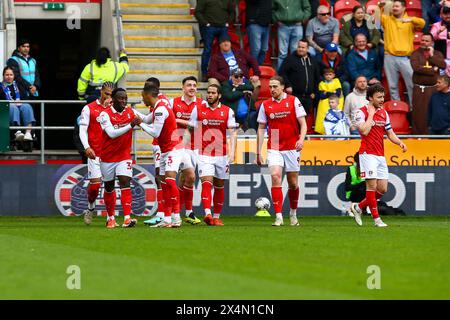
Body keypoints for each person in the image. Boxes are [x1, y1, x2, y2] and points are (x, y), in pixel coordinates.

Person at [350, 84, 408, 227]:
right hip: (367, 154)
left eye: (383, 96)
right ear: (370, 98)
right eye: (379, 97)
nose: (382, 100)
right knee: (371, 186)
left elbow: (389, 132)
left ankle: (358, 207)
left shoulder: (384, 113)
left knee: (382, 189)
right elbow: (363, 131)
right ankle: (377, 220)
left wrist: (399, 142)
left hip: (380, 155)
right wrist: (370, 114)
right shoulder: (360, 112)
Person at [256, 76, 307, 227]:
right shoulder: (265, 105)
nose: (272, 89)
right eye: (270, 86)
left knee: (292, 183)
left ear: (282, 87)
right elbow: (260, 128)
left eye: (275, 86)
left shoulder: (293, 101)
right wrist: (258, 152)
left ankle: (293, 213)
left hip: (292, 147)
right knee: (275, 176)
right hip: (275, 146)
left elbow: (303, 124)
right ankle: (278, 216)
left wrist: (301, 140)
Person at [140, 85, 191, 228]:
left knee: (169, 179)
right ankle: (167, 219)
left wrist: (140, 125)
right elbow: (146, 119)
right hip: (165, 150)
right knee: (164, 183)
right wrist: (131, 112)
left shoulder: (161, 109)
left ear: (148, 95)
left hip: (173, 148)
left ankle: (176, 217)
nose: (142, 99)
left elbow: (155, 133)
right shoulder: (158, 106)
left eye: (142, 96)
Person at [188, 84, 238, 226]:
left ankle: (216, 216)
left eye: (213, 93)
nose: (209, 95)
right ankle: (208, 214)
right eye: (208, 92)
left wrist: (233, 151)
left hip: (222, 155)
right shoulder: (197, 110)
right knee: (206, 182)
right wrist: (184, 148)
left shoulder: (227, 111)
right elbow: (189, 129)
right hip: (204, 153)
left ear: (219, 95)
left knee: (219, 185)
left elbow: (233, 133)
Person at [98, 88, 143, 229]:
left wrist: (160, 110)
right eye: (120, 98)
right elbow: (111, 134)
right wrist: (130, 125)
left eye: (125, 98)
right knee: (109, 187)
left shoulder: (130, 111)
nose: (124, 101)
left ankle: (127, 218)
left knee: (125, 181)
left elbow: (145, 119)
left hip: (124, 155)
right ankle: (110, 218)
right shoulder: (105, 114)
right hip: (107, 156)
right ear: (113, 99)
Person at [78, 82, 115, 225]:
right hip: (95, 153)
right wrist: (87, 147)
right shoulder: (89, 108)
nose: (109, 97)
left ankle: (110, 218)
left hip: (112, 154)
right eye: (106, 93)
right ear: (101, 92)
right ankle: (90, 208)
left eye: (111, 94)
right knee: (95, 187)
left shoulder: (115, 109)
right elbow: (82, 129)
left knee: (110, 186)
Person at [169, 76, 205, 225]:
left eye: (194, 85)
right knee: (190, 177)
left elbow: (199, 125)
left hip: (194, 145)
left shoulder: (201, 104)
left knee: (186, 179)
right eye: (189, 85)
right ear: (183, 88)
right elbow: (167, 120)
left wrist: (178, 120)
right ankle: (186, 211)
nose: (192, 88)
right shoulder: (173, 102)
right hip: (177, 145)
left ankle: (177, 210)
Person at [379, 0, 425, 106]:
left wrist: (411, 19)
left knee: (412, 85)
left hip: (406, 58)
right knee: (392, 86)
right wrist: (379, 7)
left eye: (397, 6)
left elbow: (422, 24)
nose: (394, 8)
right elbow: (376, 20)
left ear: (404, 8)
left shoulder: (410, 21)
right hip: (390, 56)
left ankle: (414, 109)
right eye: (393, 6)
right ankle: (398, 108)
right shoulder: (387, 20)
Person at [142, 77, 170, 226]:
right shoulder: (156, 104)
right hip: (158, 144)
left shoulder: (162, 103)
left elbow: (155, 128)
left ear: (156, 89)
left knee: (162, 178)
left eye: (149, 86)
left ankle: (163, 214)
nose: (146, 89)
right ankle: (164, 213)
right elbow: (147, 119)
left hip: (162, 144)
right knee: (160, 178)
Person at [279, 39, 320, 129]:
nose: (300, 49)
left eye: (303, 47)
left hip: (308, 97)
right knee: (292, 119)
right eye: (299, 47)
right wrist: (288, 85)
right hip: (294, 96)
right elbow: (282, 73)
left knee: (302, 121)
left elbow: (317, 78)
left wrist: (315, 92)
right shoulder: (290, 59)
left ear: (308, 48)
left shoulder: (313, 61)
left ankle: (299, 139)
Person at [410, 32, 446, 134]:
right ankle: (418, 136)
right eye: (423, 40)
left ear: (431, 42)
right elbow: (416, 68)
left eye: (427, 41)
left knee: (433, 112)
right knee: (418, 113)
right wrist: (433, 70)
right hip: (419, 89)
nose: (424, 42)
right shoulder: (415, 53)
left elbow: (443, 65)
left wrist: (432, 56)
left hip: (433, 89)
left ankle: (431, 134)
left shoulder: (437, 53)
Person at [194, 0, 234, 80]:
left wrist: (228, 22)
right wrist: (205, 23)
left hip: (223, 27)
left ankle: (227, 73)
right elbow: (197, 12)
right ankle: (204, 74)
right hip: (210, 27)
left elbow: (232, 12)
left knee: (226, 50)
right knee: (207, 50)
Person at [0, 66, 36, 150]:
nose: (9, 77)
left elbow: (25, 98)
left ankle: (28, 133)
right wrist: (10, 103)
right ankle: (17, 132)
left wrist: (21, 102)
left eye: (11, 75)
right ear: (3, 76)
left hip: (20, 107)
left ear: (14, 76)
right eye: (7, 75)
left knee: (26, 106)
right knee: (13, 107)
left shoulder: (18, 85)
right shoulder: (0, 86)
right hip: (5, 110)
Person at [272, 0, 311, 70]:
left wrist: (303, 19)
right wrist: (276, 20)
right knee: (282, 53)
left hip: (297, 25)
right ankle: (281, 75)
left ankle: (295, 72)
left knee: (296, 51)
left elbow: (307, 8)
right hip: (283, 26)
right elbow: (272, 9)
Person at [316, 68, 344, 134]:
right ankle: (322, 132)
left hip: (335, 102)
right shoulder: (321, 83)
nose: (328, 76)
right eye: (326, 74)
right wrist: (332, 92)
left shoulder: (336, 81)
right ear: (324, 76)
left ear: (333, 75)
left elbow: (338, 93)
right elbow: (322, 96)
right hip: (324, 103)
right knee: (323, 116)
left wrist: (327, 92)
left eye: (330, 74)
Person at [246, 0, 273, 65]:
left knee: (264, 49)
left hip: (266, 24)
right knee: (256, 49)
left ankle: (258, 68)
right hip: (254, 23)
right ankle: (253, 70)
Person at [430, 3, 450, 75]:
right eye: (445, 14)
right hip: (440, 59)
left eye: (449, 13)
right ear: (441, 15)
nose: (448, 16)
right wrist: (438, 31)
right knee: (440, 82)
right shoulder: (436, 25)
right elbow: (430, 39)